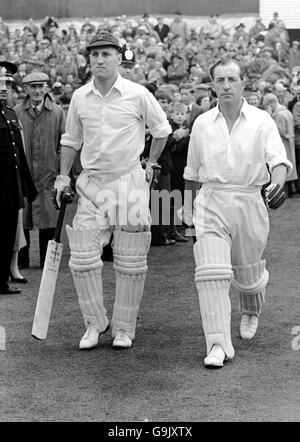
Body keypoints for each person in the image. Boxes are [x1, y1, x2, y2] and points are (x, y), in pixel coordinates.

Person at [53, 33, 171, 350]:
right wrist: (63, 177)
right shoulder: (79, 97)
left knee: (131, 257)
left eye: (106, 54)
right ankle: (94, 323)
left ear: (119, 57)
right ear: (88, 60)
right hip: (92, 182)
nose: (100, 60)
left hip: (128, 178)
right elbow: (71, 141)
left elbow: (162, 130)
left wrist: (151, 163)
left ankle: (124, 328)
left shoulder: (137, 93)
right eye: (94, 55)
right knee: (81, 257)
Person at [181, 58, 292, 368]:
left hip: (250, 201)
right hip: (212, 201)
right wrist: (188, 208)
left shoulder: (262, 120)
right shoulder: (202, 123)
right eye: (220, 80)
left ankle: (251, 310)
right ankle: (217, 343)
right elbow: (191, 172)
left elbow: (278, 161)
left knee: (248, 273)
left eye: (232, 79)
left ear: (244, 83)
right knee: (211, 274)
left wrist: (278, 184)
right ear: (213, 85)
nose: (226, 85)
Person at [14, 71, 66, 269]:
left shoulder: (58, 112)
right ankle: (21, 261)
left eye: (40, 86)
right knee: (22, 217)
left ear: (46, 88)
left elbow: (65, 141)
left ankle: (47, 261)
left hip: (48, 173)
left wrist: (58, 163)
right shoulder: (17, 111)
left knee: (49, 215)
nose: (37, 91)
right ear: (26, 89)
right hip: (23, 173)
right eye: (33, 87)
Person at [0, 61, 37, 295]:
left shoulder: (11, 114)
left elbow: (19, 154)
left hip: (11, 189)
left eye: (7, 86)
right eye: (0, 85)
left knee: (6, 236)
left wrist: (27, 186)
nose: (4, 90)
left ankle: (2, 280)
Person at [262, 93, 298, 197]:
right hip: (290, 141)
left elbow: (279, 130)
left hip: (283, 142)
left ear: (270, 104)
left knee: (282, 167)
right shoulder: (286, 111)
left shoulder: (278, 114)